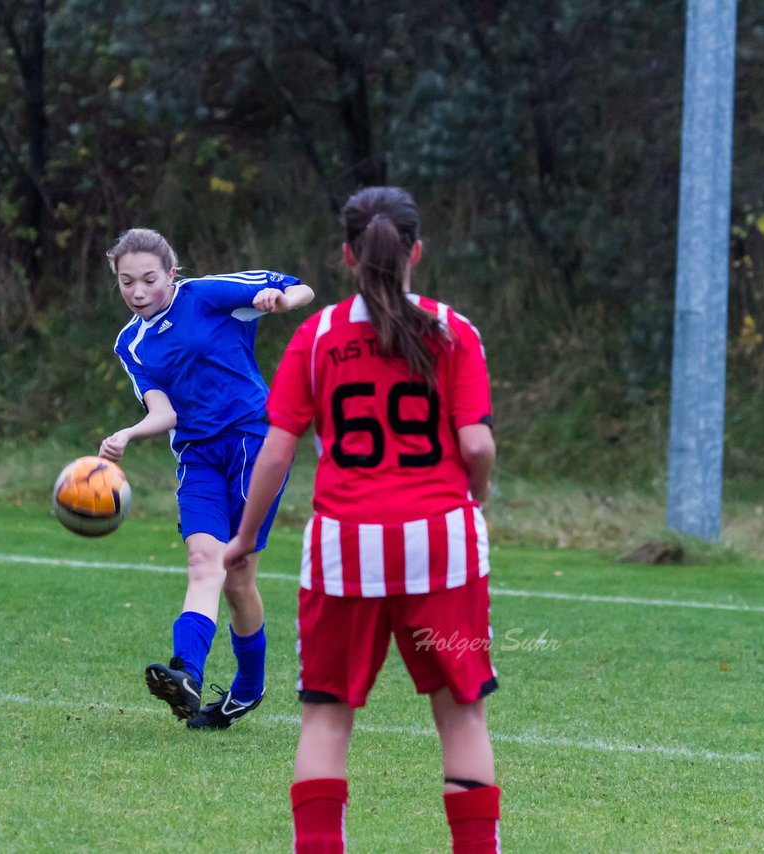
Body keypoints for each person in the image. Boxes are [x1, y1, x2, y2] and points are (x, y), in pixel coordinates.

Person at [223, 187, 500, 851]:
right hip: (443, 546)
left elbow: (277, 450)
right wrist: (477, 495)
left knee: (326, 719)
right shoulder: (453, 331)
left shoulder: (316, 337)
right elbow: (478, 445)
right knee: (462, 718)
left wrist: (242, 538)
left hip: (346, 546)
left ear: (348, 255)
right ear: (417, 252)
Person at [100, 228, 313, 729]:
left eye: (148, 279)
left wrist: (280, 300)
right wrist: (129, 434)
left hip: (252, 445)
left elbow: (301, 287)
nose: (137, 292)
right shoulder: (132, 343)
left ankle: (247, 689)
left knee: (238, 579)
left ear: (171, 274)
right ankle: (185, 673)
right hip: (197, 457)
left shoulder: (207, 294)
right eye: (126, 282)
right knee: (203, 561)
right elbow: (163, 410)